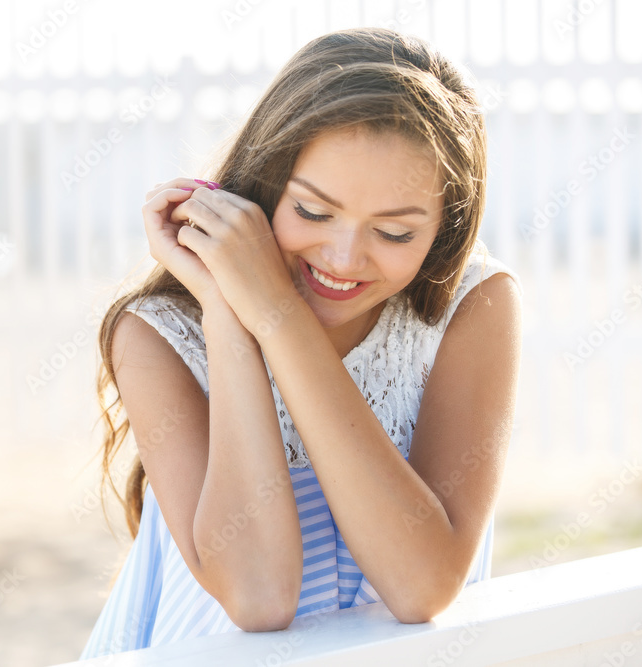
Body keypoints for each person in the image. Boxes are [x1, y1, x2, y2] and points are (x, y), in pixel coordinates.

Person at [81, 27, 522, 658]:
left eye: (395, 233)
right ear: (263, 182)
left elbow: (421, 585)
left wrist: (280, 316)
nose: (344, 258)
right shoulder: (156, 335)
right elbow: (258, 595)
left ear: (445, 234)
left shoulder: (472, 308)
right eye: (313, 213)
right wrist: (230, 313)